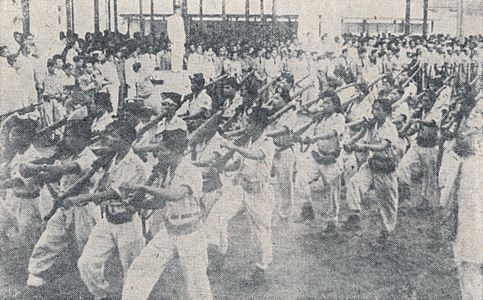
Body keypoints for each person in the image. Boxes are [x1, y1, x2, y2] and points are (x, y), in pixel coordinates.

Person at [22, 121, 100, 296]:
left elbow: (64, 169)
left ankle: (90, 285)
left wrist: (36, 167)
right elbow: (53, 169)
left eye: (70, 136)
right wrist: (36, 169)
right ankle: (35, 280)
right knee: (48, 241)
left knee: (86, 247)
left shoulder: (89, 157)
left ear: (83, 139)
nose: (66, 139)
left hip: (83, 208)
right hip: (64, 207)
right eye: (66, 135)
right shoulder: (68, 154)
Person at [77, 123, 148, 300]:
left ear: (127, 141)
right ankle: (101, 294)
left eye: (114, 136)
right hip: (108, 220)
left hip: (127, 223)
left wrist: (82, 198)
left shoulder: (136, 165)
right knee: (86, 262)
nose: (109, 139)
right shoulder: (111, 157)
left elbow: (114, 193)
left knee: (133, 272)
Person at [343, 99, 400, 245]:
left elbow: (382, 146)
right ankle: (355, 214)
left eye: (378, 110)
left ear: (386, 113)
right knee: (354, 183)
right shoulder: (373, 125)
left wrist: (363, 146)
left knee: (388, 203)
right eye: (373, 109)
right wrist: (352, 145)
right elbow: (362, 139)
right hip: (372, 164)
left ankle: (387, 231)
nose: (374, 112)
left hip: (386, 167)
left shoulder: (390, 127)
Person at [166, 5, 186, 72]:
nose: (179, 11)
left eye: (180, 10)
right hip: (174, 38)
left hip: (180, 38)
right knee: (174, 53)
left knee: (180, 53)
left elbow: (183, 30)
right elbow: (169, 29)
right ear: (174, 10)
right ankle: (174, 68)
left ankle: (179, 68)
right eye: (178, 10)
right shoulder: (170, 19)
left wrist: (184, 38)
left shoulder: (181, 19)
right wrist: (170, 38)